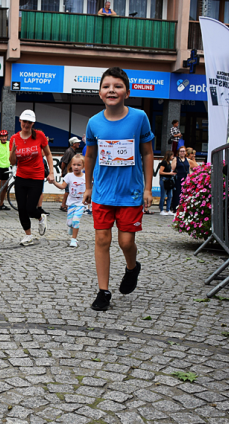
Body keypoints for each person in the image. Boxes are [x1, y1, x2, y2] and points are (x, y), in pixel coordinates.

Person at [83, 67, 154, 311]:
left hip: (131, 192)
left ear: (127, 92)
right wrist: (88, 186)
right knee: (102, 239)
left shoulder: (139, 117)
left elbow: (147, 152)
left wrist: (148, 189)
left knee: (125, 243)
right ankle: (103, 291)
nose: (111, 90)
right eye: (106, 86)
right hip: (103, 192)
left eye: (117, 86)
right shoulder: (93, 122)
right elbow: (90, 156)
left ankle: (132, 268)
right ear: (100, 93)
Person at [10, 109, 53, 246]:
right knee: (21, 208)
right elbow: (12, 162)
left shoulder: (39, 136)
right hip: (21, 176)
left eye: (29, 122)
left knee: (30, 208)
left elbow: (48, 154)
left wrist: (51, 172)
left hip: (36, 177)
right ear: (20, 121)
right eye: (24, 121)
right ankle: (28, 235)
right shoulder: (14, 138)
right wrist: (13, 151)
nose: (26, 124)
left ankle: (40, 217)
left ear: (33, 123)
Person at [48, 154, 86, 247]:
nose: (76, 167)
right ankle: (71, 226)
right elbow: (62, 186)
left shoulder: (86, 177)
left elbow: (91, 187)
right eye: (74, 165)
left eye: (79, 165)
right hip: (71, 203)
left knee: (76, 221)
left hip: (81, 203)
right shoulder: (69, 176)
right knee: (70, 222)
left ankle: (74, 239)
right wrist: (54, 182)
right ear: (71, 165)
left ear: (83, 166)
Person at [59, 137, 82, 211]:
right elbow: (64, 162)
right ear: (73, 143)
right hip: (68, 172)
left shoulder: (73, 151)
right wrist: (62, 172)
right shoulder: (69, 151)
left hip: (71, 172)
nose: (79, 144)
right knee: (67, 190)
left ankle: (65, 205)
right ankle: (63, 205)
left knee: (69, 190)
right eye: (77, 142)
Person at [170, 146, 190, 213]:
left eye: (183, 151)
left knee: (184, 193)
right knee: (177, 193)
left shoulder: (187, 159)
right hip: (178, 178)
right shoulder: (176, 159)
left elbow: (189, 168)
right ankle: (175, 207)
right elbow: (172, 169)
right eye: (181, 151)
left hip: (185, 178)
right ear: (179, 152)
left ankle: (183, 207)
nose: (182, 153)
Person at [157, 151, 174, 216]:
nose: (173, 157)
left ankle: (168, 209)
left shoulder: (169, 163)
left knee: (170, 195)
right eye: (172, 155)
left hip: (169, 180)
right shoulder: (164, 162)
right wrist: (170, 173)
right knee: (163, 195)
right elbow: (160, 172)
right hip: (164, 180)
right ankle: (161, 210)